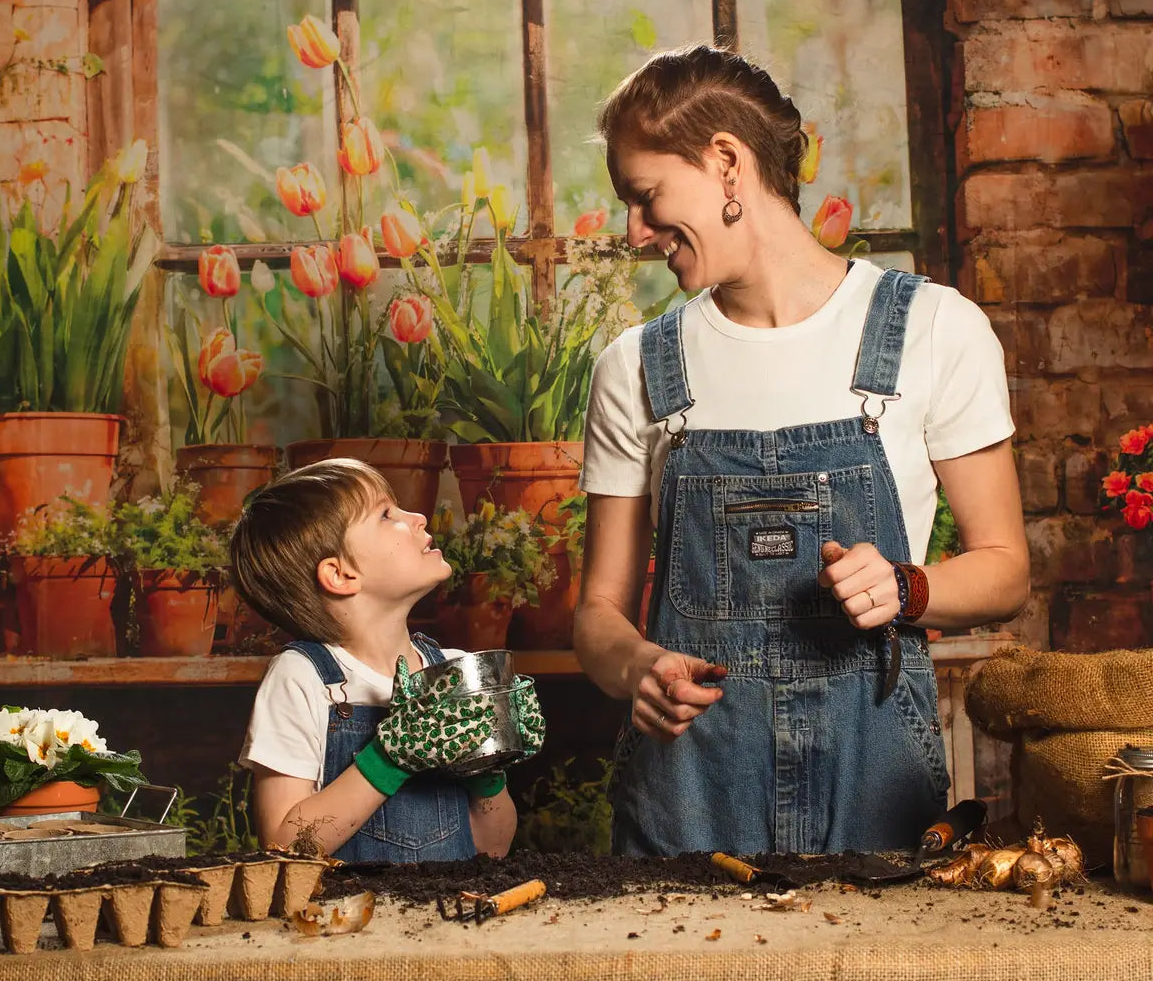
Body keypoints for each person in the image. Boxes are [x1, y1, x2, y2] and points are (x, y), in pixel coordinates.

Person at [574, 44, 1029, 858]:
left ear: (725, 164)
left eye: (645, 197)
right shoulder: (635, 369)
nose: (635, 231)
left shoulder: (933, 329)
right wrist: (634, 666)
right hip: (691, 788)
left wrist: (905, 585)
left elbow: (1004, 570)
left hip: (876, 776)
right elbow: (597, 616)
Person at [231, 458, 544, 862]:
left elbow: (493, 847)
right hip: (348, 920)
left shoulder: (450, 671)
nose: (416, 517)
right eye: (386, 514)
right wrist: (388, 759)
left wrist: (486, 771)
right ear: (341, 575)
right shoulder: (304, 678)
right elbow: (282, 846)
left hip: (452, 916)